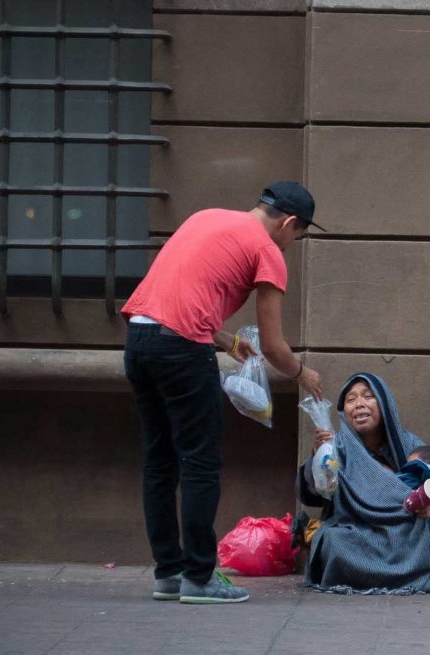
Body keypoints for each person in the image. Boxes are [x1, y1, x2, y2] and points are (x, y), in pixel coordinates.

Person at [122, 181, 324, 605]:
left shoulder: (206, 217)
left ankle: (169, 574)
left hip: (139, 342)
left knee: (160, 462)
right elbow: (274, 347)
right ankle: (199, 576)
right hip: (181, 351)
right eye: (296, 238)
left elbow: (177, 298)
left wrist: (229, 342)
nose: (289, 246)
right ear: (288, 223)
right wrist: (302, 372)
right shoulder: (267, 250)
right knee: (201, 463)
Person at [297, 372, 430, 594]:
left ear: (384, 403)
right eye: (351, 399)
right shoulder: (335, 448)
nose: (359, 404)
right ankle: (429, 578)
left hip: (403, 536)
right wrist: (318, 459)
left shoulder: (406, 444)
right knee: (331, 542)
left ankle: (382, 576)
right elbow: (308, 495)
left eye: (368, 396)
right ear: (343, 411)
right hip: (356, 534)